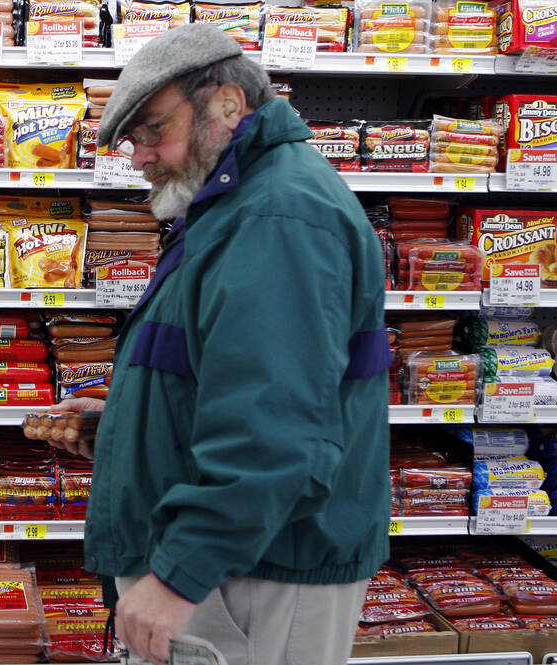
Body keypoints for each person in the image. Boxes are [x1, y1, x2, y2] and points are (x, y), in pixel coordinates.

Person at [47, 23, 392, 665]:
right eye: (132, 138)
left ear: (228, 105)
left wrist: (181, 572)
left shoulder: (278, 217)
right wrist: (128, 422)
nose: (139, 156)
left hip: (258, 570)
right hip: (246, 561)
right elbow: (226, 369)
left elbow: (276, 423)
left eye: (153, 128)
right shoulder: (237, 203)